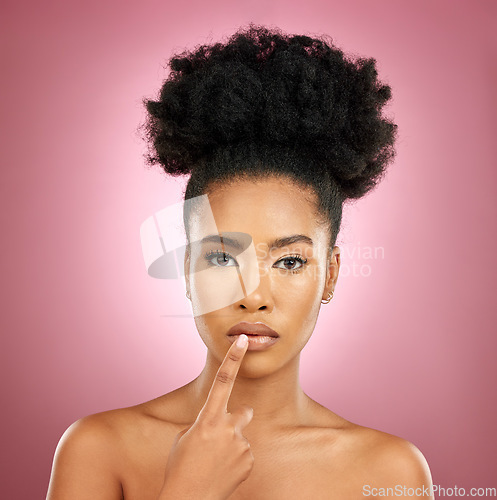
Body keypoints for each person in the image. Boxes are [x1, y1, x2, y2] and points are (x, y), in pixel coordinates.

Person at [47, 23, 434, 499]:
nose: (253, 297)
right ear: (188, 268)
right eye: (222, 258)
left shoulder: (390, 471)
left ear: (330, 274)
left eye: (290, 262)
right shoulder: (99, 449)